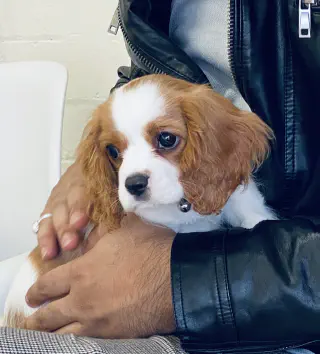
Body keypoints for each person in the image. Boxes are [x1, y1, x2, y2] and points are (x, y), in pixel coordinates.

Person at [1, 0, 320, 353]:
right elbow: (153, 67)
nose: (132, 173)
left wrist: (180, 285)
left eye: (165, 141)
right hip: (64, 322)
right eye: (115, 153)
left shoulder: (216, 143)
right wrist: (93, 167)